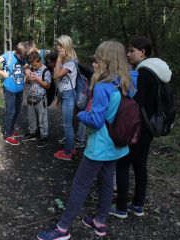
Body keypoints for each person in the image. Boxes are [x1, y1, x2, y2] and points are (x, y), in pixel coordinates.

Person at [37, 40, 135, 239]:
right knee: (107, 184)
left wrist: (81, 114)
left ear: (106, 60)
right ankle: (100, 222)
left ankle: (62, 229)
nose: (94, 60)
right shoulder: (125, 82)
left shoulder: (102, 87)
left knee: (80, 185)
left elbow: (96, 121)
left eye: (98, 57)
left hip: (99, 146)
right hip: (117, 145)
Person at [110, 36, 172, 218]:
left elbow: (138, 103)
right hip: (150, 127)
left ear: (142, 52)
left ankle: (121, 207)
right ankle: (138, 205)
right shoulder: (159, 72)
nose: (128, 54)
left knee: (122, 165)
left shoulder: (144, 73)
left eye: (131, 51)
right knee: (140, 166)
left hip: (138, 127)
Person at [0, 42, 27, 145]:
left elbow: (25, 67)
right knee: (11, 111)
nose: (22, 58)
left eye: (24, 57)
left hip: (20, 88)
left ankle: (10, 129)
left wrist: (28, 72)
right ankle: (7, 135)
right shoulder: (7, 56)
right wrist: (2, 73)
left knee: (17, 110)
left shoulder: (24, 55)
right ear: (16, 52)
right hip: (9, 88)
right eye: (20, 56)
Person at [53, 35, 77, 161]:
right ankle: (70, 147)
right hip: (64, 94)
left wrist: (59, 58)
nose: (57, 47)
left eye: (59, 45)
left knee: (67, 125)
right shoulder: (66, 61)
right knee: (68, 124)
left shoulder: (71, 62)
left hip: (69, 95)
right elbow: (59, 81)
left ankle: (68, 153)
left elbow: (56, 75)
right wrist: (57, 98)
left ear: (65, 46)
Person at [21, 51, 51, 147]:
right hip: (31, 97)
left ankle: (44, 137)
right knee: (31, 117)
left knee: (42, 118)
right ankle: (32, 132)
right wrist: (28, 78)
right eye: (32, 65)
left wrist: (37, 79)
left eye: (35, 65)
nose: (34, 67)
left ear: (40, 61)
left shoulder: (46, 71)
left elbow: (47, 85)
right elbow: (26, 83)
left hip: (41, 98)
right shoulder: (32, 69)